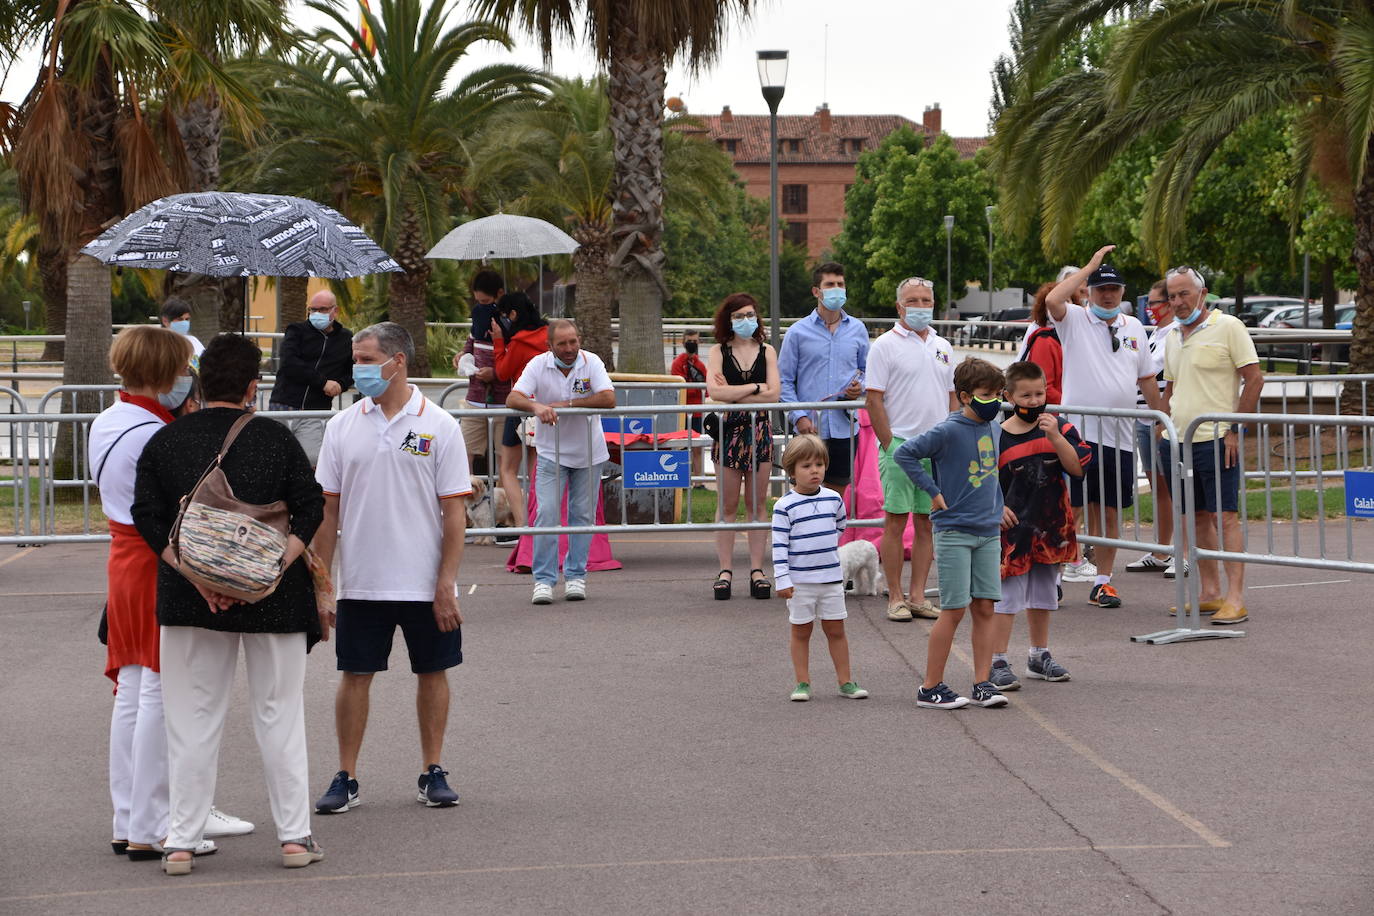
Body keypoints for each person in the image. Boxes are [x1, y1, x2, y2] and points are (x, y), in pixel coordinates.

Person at [131, 333, 326, 875]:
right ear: (252, 385)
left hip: (190, 599)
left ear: (197, 382)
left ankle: (180, 842)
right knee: (280, 713)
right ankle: (293, 838)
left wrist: (196, 577)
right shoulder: (275, 437)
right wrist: (269, 571)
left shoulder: (166, 441)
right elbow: (310, 508)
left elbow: (144, 515)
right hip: (276, 599)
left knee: (190, 718)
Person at [91, 327, 250, 862]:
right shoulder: (151, 433)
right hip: (158, 559)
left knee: (136, 691)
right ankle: (155, 824)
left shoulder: (111, 420)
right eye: (183, 370)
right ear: (163, 372)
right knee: (160, 692)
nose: (189, 379)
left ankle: (130, 818)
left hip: (125, 561)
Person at [312, 322, 471, 815]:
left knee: (433, 671)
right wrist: (322, 583)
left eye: (365, 358)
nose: (357, 368)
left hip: (425, 582)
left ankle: (433, 770)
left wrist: (446, 582)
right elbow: (328, 511)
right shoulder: (342, 426)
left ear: (397, 360)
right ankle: (346, 776)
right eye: (355, 360)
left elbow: (454, 513)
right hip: (362, 581)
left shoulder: (439, 425)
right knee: (354, 674)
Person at [893, 358, 1014, 710]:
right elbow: (906, 453)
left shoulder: (995, 428)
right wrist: (932, 490)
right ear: (964, 396)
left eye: (998, 394)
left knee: (986, 607)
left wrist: (998, 505)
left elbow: (990, 474)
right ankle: (930, 686)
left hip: (988, 532)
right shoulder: (948, 430)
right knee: (955, 609)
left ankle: (982, 682)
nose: (994, 400)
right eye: (986, 394)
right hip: (955, 531)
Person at [1046, 245, 1163, 608]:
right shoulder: (1076, 319)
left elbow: (1146, 379)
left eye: (1113, 289)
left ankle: (1103, 581)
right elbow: (1053, 299)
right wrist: (1090, 266)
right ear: (1089, 292)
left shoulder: (1135, 329)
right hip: (1080, 435)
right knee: (1072, 508)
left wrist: (1162, 420)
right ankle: (1053, 577)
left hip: (1121, 436)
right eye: (1100, 289)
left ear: (1122, 292)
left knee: (1110, 510)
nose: (1107, 295)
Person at [1160, 266, 1262, 626]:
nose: (1177, 302)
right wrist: (1164, 427)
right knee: (1195, 517)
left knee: (1225, 516)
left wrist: (1235, 429)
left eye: (1184, 293)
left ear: (1202, 293)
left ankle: (1236, 597)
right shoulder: (1171, 335)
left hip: (1217, 439)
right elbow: (1170, 389)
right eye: (1172, 295)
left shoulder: (1229, 327)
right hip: (1179, 441)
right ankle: (1209, 593)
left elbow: (1254, 378)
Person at [987, 361, 1091, 691]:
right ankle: (997, 660)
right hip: (1012, 529)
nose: (1034, 401)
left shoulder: (1063, 428)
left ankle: (1039, 655)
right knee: (1007, 597)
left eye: (1040, 393)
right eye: (1026, 395)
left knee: (1045, 594)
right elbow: (983, 479)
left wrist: (1055, 436)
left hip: (1051, 527)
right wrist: (995, 507)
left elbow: (1076, 469)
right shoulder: (996, 434)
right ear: (1008, 396)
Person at [865, 277, 956, 622]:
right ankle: (896, 596)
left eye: (926, 300)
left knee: (925, 523)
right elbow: (873, 398)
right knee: (894, 521)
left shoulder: (943, 345)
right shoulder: (884, 345)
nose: (921, 306)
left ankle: (918, 595)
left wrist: (950, 438)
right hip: (901, 445)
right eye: (913, 300)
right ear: (900, 306)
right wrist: (890, 444)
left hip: (935, 447)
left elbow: (951, 396)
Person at [507, 319, 616, 605]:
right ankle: (543, 580)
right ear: (550, 346)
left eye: (573, 342)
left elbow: (608, 398)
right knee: (547, 514)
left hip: (589, 454)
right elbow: (513, 397)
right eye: (562, 344)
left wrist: (568, 405)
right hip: (550, 453)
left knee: (582, 516)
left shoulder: (591, 361)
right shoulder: (537, 364)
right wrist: (536, 406)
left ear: (580, 339)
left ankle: (576, 576)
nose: (569, 349)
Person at [772, 434, 868, 702]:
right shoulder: (784, 506)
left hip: (831, 580)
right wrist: (782, 579)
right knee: (801, 631)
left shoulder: (833, 499)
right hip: (800, 583)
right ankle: (802, 683)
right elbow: (779, 546)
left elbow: (839, 526)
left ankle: (846, 681)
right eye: (806, 466)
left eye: (819, 464)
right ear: (791, 471)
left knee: (836, 630)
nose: (814, 470)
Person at [705, 293, 781, 600]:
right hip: (729, 433)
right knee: (727, 507)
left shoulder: (768, 351)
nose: (745, 320)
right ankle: (725, 571)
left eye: (750, 314)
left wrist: (733, 392)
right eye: (739, 316)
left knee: (757, 506)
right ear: (729, 320)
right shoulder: (718, 351)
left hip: (760, 432)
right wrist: (754, 387)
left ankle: (757, 570)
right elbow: (713, 391)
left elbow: (774, 394)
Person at [778, 261, 869, 492]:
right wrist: (799, 417)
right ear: (816, 291)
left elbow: (868, 371)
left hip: (845, 428)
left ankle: (834, 530)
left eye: (841, 284)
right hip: (809, 429)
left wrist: (861, 387)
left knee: (837, 494)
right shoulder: (797, 332)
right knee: (804, 493)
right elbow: (784, 381)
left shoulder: (858, 329)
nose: (837, 289)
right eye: (830, 284)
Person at [1126, 280, 1178, 573]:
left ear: (1168, 304)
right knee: (1159, 486)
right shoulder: (1156, 334)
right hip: (1145, 418)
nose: (1150, 310)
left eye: (1155, 304)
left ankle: (1180, 551)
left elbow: (1147, 371)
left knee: (1173, 487)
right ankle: (1161, 550)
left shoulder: (1174, 334)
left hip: (1161, 419)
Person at [489, 291, 550, 539]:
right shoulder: (548, 336)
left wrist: (498, 342)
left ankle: (523, 526)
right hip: (547, 407)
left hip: (522, 407)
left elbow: (503, 373)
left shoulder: (520, 342)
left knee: (507, 469)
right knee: (538, 468)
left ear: (513, 315)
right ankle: (542, 521)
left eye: (505, 316)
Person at [269, 289, 353, 465]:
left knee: (311, 461)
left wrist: (340, 384)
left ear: (335, 311)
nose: (316, 314)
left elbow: (351, 371)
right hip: (283, 405)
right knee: (274, 460)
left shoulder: (346, 338)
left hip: (315, 411)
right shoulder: (296, 330)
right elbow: (289, 362)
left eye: (322, 309)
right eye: (312, 309)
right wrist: (322, 382)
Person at [455, 270, 509, 474]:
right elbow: (471, 341)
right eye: (478, 301)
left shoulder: (511, 320)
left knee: (505, 461)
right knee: (464, 454)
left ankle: (504, 503)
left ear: (500, 294)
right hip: (475, 400)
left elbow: (515, 360)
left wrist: (495, 373)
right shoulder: (478, 314)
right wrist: (463, 355)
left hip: (504, 402)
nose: (482, 306)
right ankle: (466, 504)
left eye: (486, 301)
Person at [670, 329, 708, 479]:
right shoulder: (678, 363)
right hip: (682, 412)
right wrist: (696, 389)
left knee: (697, 448)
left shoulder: (700, 365)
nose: (692, 344)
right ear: (683, 342)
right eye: (689, 341)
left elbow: (706, 388)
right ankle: (682, 481)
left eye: (694, 341)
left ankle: (698, 481)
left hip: (697, 412)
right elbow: (679, 387)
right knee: (682, 447)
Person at [1021, 282, 1064, 405]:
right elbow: (1044, 387)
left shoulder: (1072, 337)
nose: (1061, 306)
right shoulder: (1045, 341)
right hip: (1058, 416)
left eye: (1066, 300)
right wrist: (1071, 406)